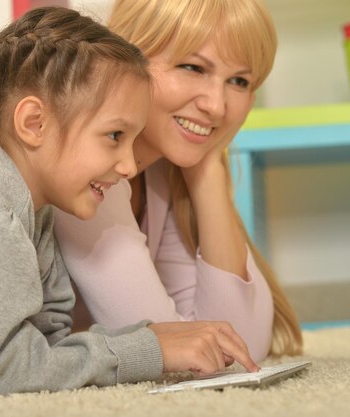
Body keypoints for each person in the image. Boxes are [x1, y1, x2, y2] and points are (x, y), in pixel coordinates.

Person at [0, 6, 258, 395]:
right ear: (34, 124)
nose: (128, 166)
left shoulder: (31, 206)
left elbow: (48, 345)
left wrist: (153, 337)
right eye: (114, 136)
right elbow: (7, 371)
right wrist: (151, 348)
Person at [52, 0, 303, 362]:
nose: (216, 106)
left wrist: (207, 173)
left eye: (239, 81)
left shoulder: (158, 174)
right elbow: (159, 345)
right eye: (193, 67)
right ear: (128, 60)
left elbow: (238, 346)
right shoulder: (83, 164)